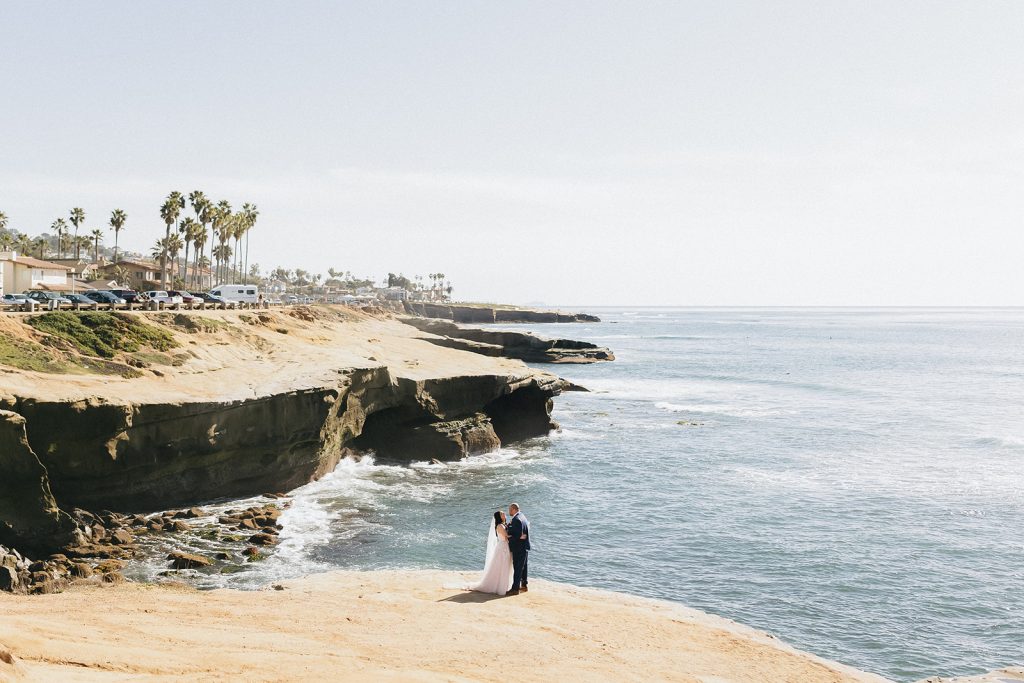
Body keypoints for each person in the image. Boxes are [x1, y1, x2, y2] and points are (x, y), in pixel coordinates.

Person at [466, 511, 514, 595]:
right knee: (501, 567)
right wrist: (520, 535)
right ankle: (499, 586)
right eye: (502, 514)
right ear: (499, 517)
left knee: (504, 566)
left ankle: (504, 585)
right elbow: (507, 537)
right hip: (503, 548)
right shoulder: (499, 526)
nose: (504, 514)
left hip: (504, 547)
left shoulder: (503, 525)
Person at [505, 503, 530, 595]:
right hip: (524, 546)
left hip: (518, 547)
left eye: (510, 509)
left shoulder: (517, 519)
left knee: (518, 568)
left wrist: (508, 537)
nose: (509, 512)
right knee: (523, 567)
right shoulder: (522, 516)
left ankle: (515, 589)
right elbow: (522, 533)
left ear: (514, 509)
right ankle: (524, 585)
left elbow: (518, 535)